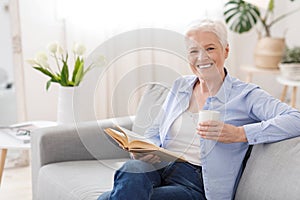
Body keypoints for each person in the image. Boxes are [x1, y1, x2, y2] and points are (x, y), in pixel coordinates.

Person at [98, 19, 300, 200]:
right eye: (194, 51)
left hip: (195, 183)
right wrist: (143, 150)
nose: (201, 57)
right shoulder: (181, 86)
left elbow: (295, 118)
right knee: (132, 169)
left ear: (226, 50)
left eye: (210, 48)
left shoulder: (246, 95)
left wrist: (240, 133)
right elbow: (156, 129)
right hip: (159, 166)